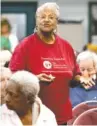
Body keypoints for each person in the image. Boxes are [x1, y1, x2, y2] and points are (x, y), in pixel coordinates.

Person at [9, 2, 90, 125]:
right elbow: (12, 80)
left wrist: (81, 79)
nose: (46, 20)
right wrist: (35, 79)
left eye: (51, 17)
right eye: (42, 17)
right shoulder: (24, 46)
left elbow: (74, 76)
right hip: (33, 116)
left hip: (61, 116)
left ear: (56, 21)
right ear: (37, 20)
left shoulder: (66, 46)